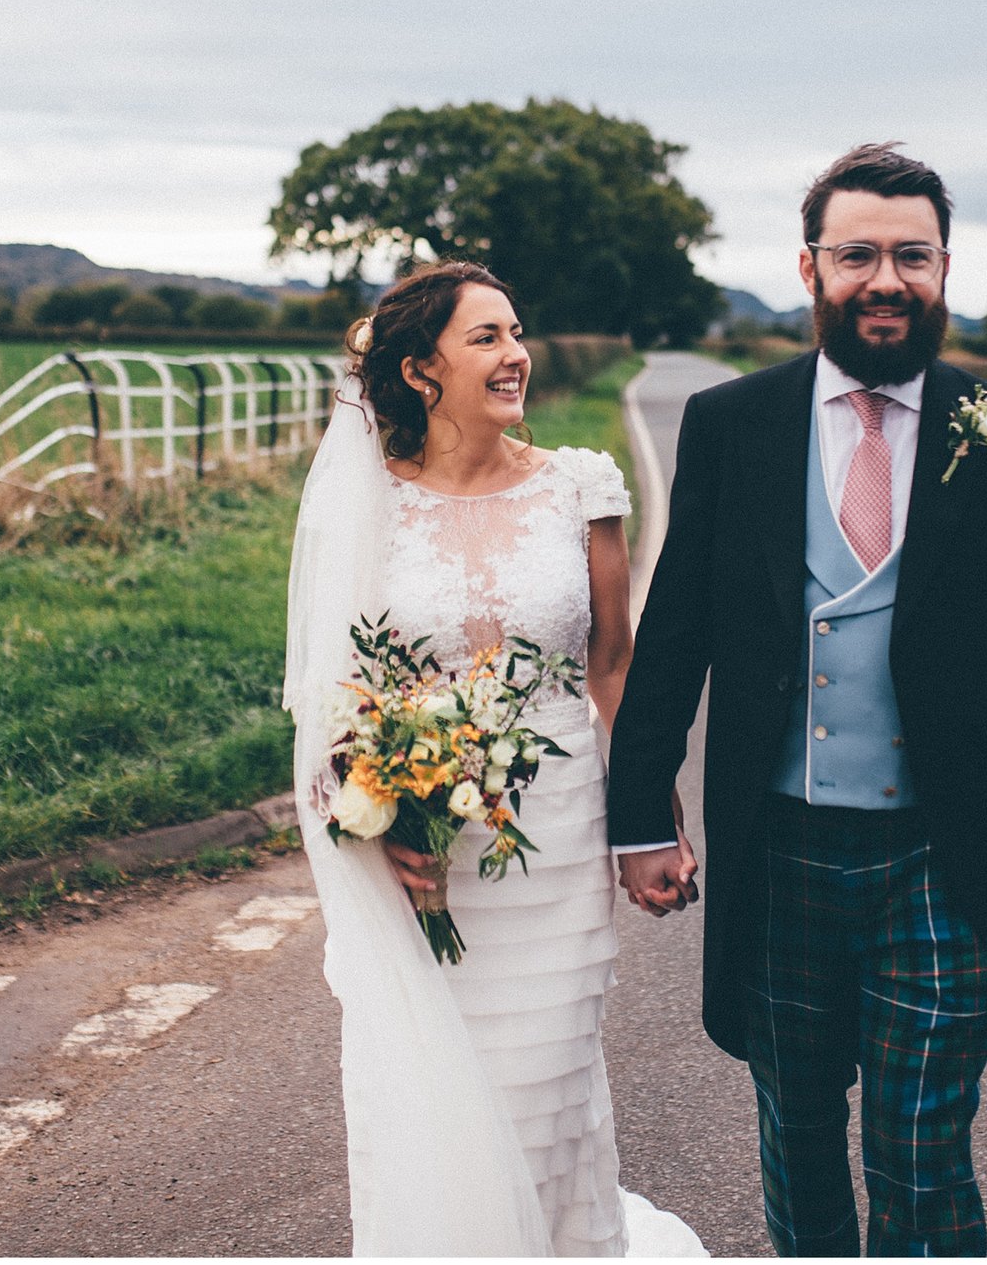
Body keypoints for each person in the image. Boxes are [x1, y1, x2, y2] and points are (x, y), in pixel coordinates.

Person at [606, 144, 987, 1257]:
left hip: (944, 857)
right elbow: (675, 639)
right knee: (798, 1141)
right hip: (782, 853)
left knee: (921, 1147)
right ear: (809, 270)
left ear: (946, 269)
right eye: (858, 254)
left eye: (911, 254)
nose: (885, 278)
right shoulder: (731, 424)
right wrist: (642, 821)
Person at [284, 260, 705, 1258]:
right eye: (485, 338)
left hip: (554, 840)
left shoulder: (580, 488)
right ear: (420, 372)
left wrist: (655, 819)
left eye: (516, 332)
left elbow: (612, 665)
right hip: (426, 859)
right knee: (434, 1085)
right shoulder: (367, 508)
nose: (515, 354)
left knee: (546, 1079)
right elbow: (336, 695)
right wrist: (372, 809)